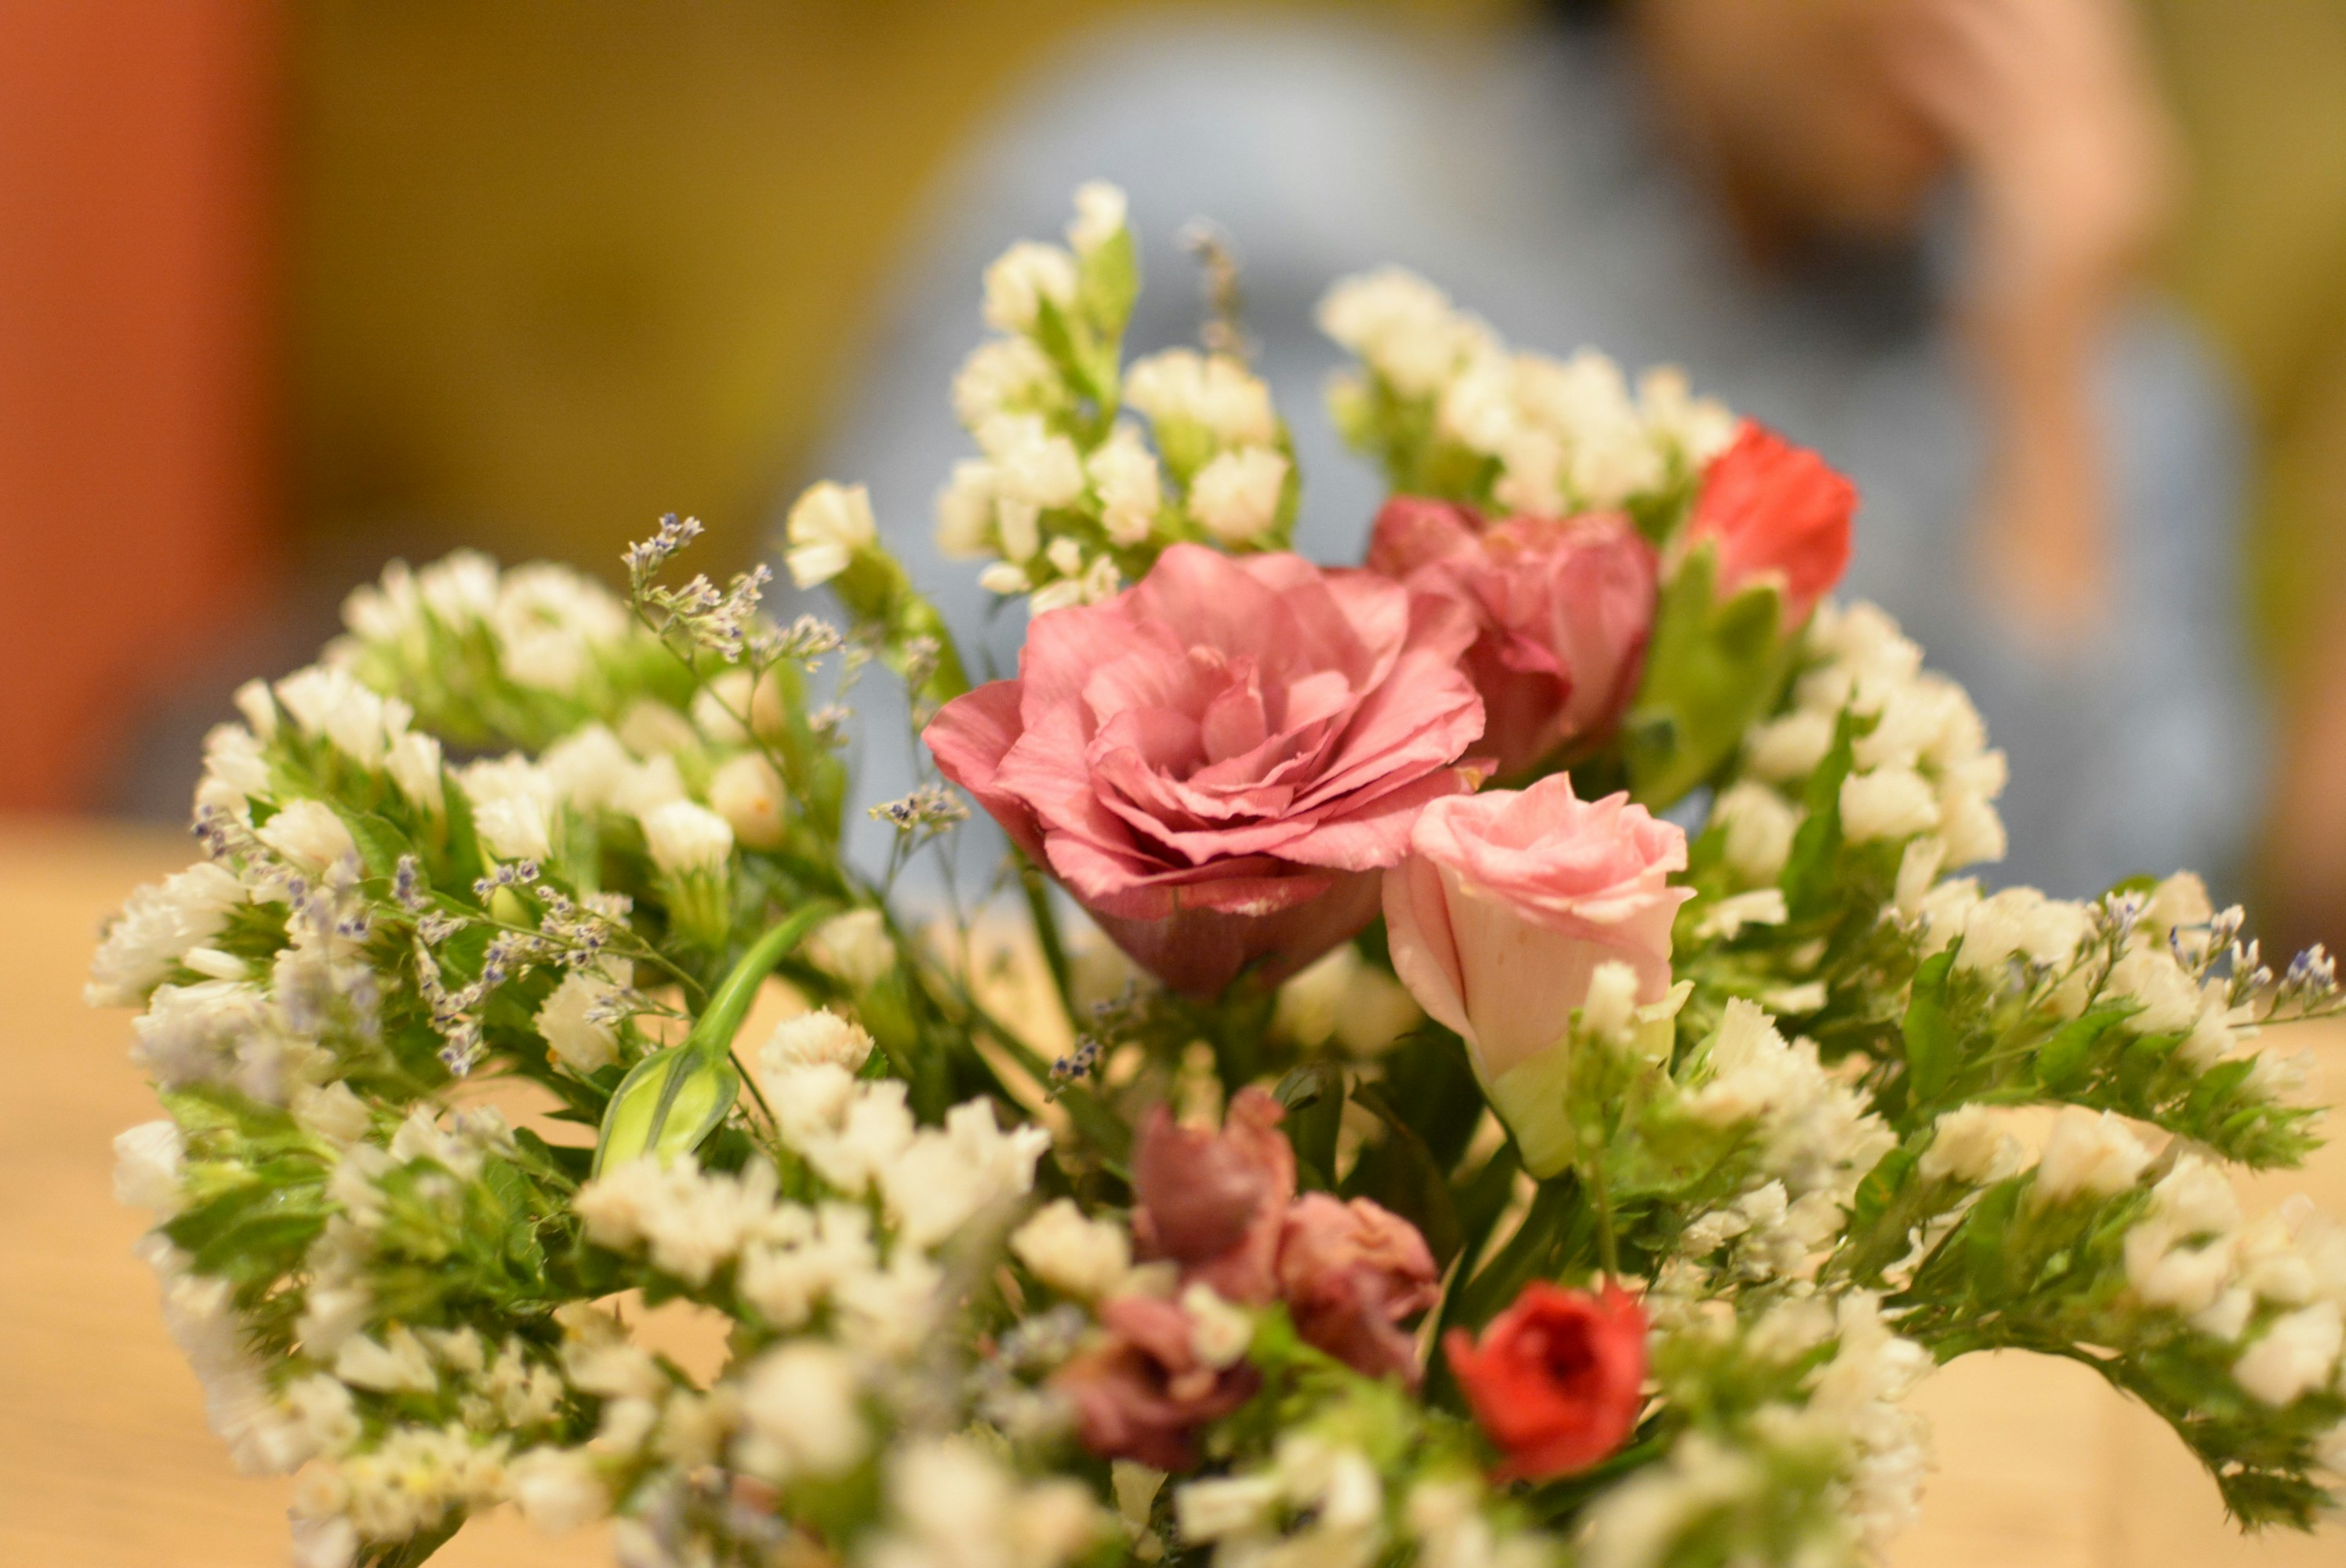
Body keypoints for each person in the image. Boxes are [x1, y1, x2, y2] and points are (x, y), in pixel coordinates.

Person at [808, 0, 2261, 902]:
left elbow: (2107, 998)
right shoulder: (1223, 160)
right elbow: (868, 728)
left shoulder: (2104, 402)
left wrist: (2050, 386)